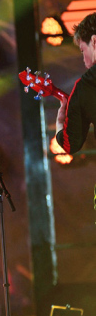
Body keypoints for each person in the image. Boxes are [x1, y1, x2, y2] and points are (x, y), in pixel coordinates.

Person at [56, 12, 96, 208]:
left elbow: (70, 145)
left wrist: (59, 123)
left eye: (82, 50)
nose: (84, 59)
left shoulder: (86, 85)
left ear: (94, 42)